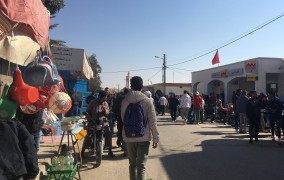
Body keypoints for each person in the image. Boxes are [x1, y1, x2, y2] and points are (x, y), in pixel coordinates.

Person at [121, 76, 159, 180]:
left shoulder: (125, 101)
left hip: (129, 137)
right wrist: (155, 138)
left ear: (131, 86)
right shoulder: (147, 101)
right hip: (143, 137)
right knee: (141, 166)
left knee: (132, 165)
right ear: (142, 86)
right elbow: (152, 121)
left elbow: (123, 119)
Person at [81, 90, 115, 158]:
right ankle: (83, 151)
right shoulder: (93, 102)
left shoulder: (105, 103)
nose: (106, 98)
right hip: (93, 122)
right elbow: (87, 111)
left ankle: (110, 150)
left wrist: (106, 111)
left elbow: (107, 113)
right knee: (88, 135)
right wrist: (89, 118)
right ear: (101, 97)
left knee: (108, 133)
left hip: (103, 122)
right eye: (105, 97)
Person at [114, 88, 129, 154]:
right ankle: (125, 146)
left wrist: (115, 116)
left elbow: (115, 107)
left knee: (120, 130)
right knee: (127, 131)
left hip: (120, 117)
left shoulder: (119, 98)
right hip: (128, 118)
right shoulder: (130, 98)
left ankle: (120, 141)